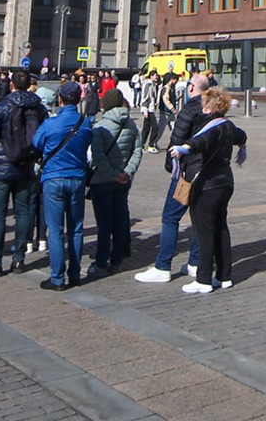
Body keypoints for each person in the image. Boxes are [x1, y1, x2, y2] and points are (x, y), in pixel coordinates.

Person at [136, 71, 211, 284]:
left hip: (187, 174)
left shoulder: (190, 109)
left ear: (191, 89)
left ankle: (163, 265)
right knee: (198, 217)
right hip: (207, 173)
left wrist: (171, 166)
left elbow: (176, 139)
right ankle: (196, 263)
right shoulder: (214, 109)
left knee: (171, 217)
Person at [171, 86, 247, 295]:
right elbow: (242, 136)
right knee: (221, 228)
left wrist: (183, 148)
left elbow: (200, 141)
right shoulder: (229, 125)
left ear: (208, 107)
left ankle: (203, 279)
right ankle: (224, 276)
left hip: (208, 184)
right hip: (225, 182)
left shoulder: (209, 125)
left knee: (203, 231)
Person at [0, 70, 47, 276]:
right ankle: (19, 260)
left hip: (0, 168)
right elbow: (44, 136)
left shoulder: (3, 106)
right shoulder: (38, 108)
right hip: (26, 167)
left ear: (12, 85)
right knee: (23, 214)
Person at [34, 81, 94, 290]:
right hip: (77, 177)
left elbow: (37, 142)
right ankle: (75, 274)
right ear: (78, 100)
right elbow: (87, 144)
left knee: (56, 230)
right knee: (76, 229)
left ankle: (57, 277)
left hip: (53, 178)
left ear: (60, 99)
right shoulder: (85, 124)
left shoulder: (51, 124)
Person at [88, 86, 143, 279]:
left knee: (104, 224)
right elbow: (138, 151)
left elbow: (98, 156)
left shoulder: (100, 126)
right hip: (123, 181)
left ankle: (102, 262)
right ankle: (117, 260)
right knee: (119, 221)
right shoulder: (131, 125)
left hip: (102, 182)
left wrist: (111, 173)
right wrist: (126, 172)